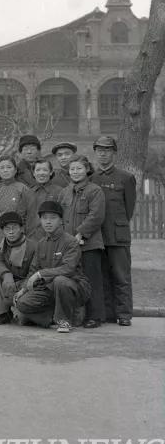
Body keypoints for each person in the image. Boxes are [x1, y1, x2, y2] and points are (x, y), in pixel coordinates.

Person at [14, 201, 91, 333]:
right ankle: (53, 318)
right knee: (21, 303)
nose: (48, 222)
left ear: (61, 220)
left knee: (60, 280)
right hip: (49, 289)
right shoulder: (41, 243)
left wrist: (41, 274)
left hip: (74, 286)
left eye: (52, 218)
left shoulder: (70, 241)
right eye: (44, 218)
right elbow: (33, 270)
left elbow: (68, 269)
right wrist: (24, 288)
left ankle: (65, 321)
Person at [90, 136, 136, 326]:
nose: (103, 154)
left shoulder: (126, 178)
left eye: (107, 150)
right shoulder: (92, 178)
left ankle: (124, 314)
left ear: (114, 153)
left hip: (117, 236)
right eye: (99, 150)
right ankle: (108, 313)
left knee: (121, 276)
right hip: (98, 236)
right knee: (102, 276)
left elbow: (129, 208)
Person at [58, 155, 105, 329]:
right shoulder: (65, 191)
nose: (75, 172)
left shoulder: (94, 191)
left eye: (79, 168)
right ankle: (73, 315)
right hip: (69, 245)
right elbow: (60, 216)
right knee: (72, 279)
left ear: (87, 170)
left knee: (92, 279)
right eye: (72, 169)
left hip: (90, 244)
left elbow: (96, 216)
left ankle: (95, 316)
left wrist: (81, 234)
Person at [0, 211, 37, 325]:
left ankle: (17, 311)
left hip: (25, 284)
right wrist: (6, 275)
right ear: (3, 231)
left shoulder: (33, 246)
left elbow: (34, 270)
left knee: (22, 320)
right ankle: (2, 314)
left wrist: (23, 287)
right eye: (7, 229)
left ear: (21, 228)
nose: (10, 232)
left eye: (14, 228)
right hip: (7, 283)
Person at [0, 154, 35, 242]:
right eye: (2, 168)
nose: (5, 170)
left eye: (9, 167)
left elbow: (30, 215)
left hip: (18, 233)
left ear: (15, 170)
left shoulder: (23, 189)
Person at [28, 159, 63, 238]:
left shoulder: (60, 191)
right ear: (33, 173)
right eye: (38, 170)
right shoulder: (28, 192)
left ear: (51, 172)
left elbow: (64, 217)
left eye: (45, 170)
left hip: (53, 237)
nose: (41, 173)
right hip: (31, 238)